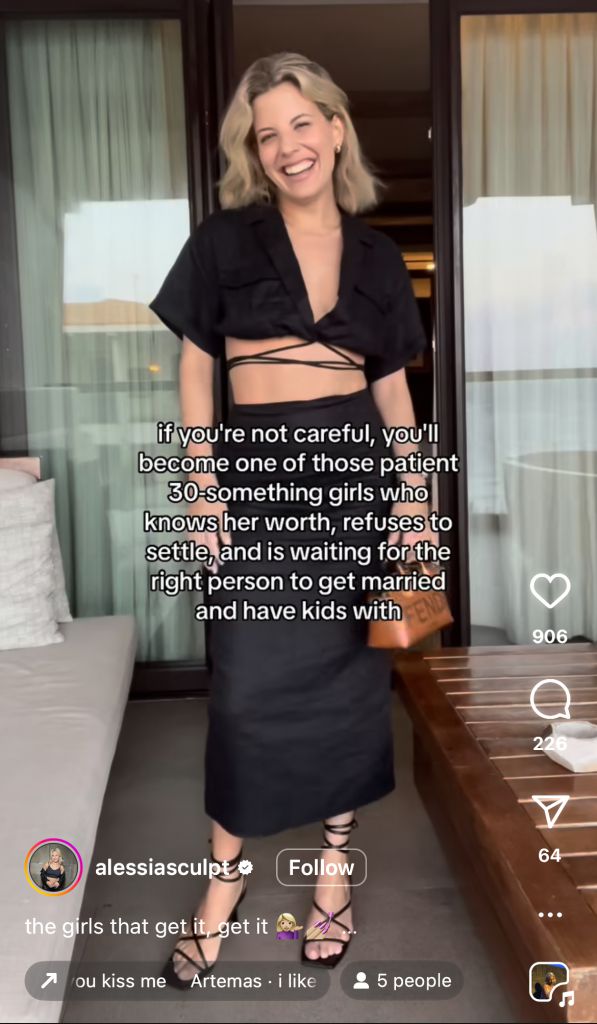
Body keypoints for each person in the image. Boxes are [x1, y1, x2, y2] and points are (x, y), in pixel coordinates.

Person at [149, 51, 432, 986]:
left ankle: (333, 870)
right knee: (243, 691)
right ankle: (223, 879)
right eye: (267, 134)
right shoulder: (222, 242)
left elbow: (391, 391)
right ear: (254, 152)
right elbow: (198, 365)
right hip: (257, 484)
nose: (287, 146)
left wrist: (412, 500)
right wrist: (200, 484)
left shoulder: (379, 256)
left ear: (336, 130)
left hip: (353, 481)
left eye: (302, 123)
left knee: (350, 687)